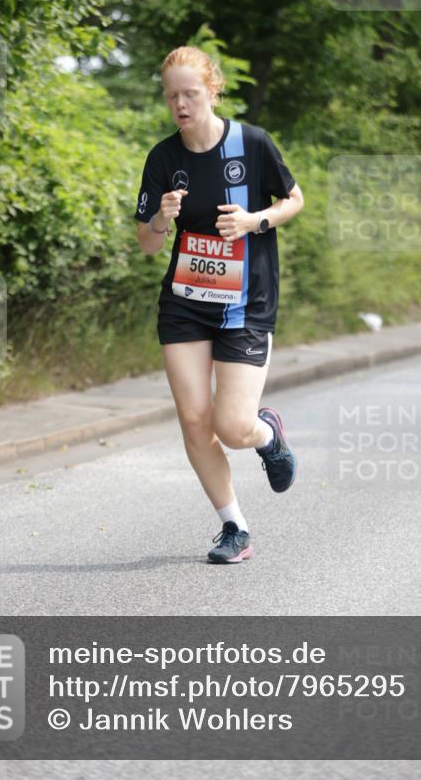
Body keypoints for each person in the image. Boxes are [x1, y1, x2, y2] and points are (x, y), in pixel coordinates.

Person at [135, 46, 304, 563]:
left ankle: (267, 434)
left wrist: (255, 221)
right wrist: (162, 216)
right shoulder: (164, 158)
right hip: (185, 302)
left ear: (212, 89)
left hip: (246, 303)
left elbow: (295, 200)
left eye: (190, 93)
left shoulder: (251, 143)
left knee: (232, 427)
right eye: (172, 96)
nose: (181, 104)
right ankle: (235, 528)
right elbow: (147, 242)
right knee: (193, 420)